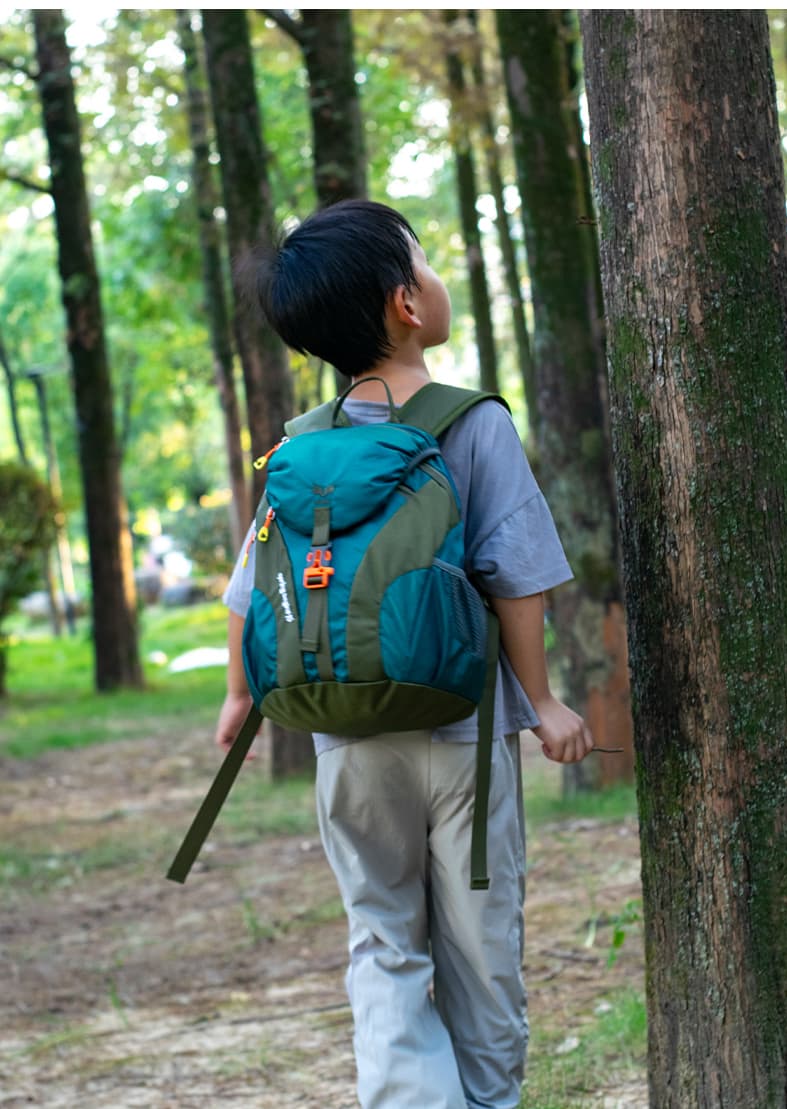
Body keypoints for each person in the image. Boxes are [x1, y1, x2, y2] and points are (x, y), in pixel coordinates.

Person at [217, 199, 593, 1109]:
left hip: (341, 737)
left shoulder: (301, 447)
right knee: (479, 945)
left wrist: (238, 699)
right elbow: (518, 576)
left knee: (383, 941)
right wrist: (543, 703)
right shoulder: (471, 422)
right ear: (406, 305)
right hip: (462, 733)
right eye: (422, 264)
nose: (434, 277)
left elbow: (252, 583)